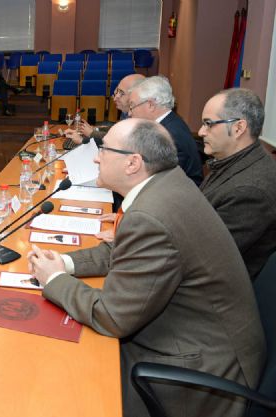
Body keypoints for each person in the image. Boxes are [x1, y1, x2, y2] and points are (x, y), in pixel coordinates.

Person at [28, 118, 265, 417]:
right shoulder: (167, 185)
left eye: (104, 149)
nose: (96, 156)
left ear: (133, 163)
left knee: (64, 381)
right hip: (195, 336)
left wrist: (55, 280)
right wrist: (67, 262)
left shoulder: (151, 214)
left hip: (198, 369)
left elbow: (113, 317)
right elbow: (127, 248)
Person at [199, 88, 276, 279]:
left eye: (208, 124)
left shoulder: (250, 190)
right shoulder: (232, 161)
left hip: (215, 292)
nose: (201, 132)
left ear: (238, 128)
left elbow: (203, 256)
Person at [128, 75, 203, 185]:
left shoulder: (170, 134)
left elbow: (159, 182)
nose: (129, 113)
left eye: (132, 106)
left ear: (150, 105)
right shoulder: (167, 123)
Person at [65, 73, 145, 145]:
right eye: (117, 92)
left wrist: (90, 134)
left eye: (122, 93)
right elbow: (115, 130)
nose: (115, 98)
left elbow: (118, 141)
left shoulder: (139, 118)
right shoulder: (125, 112)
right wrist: (95, 129)